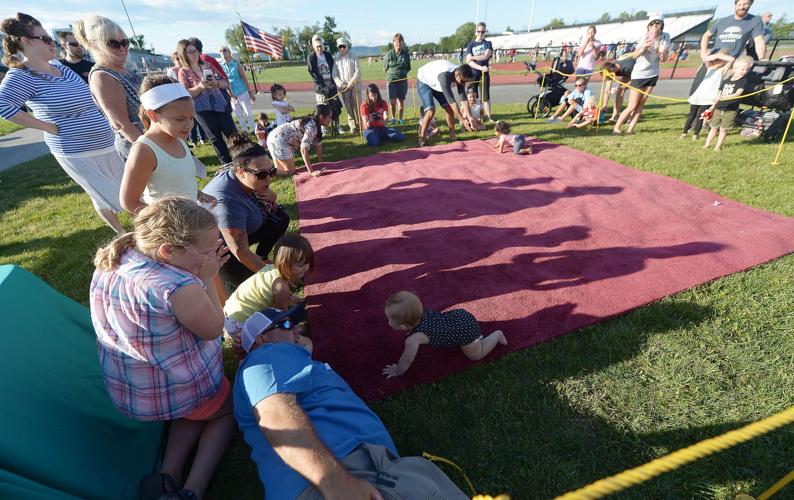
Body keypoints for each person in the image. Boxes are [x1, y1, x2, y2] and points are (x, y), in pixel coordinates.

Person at [233, 305, 470, 499]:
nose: (297, 329)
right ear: (262, 339)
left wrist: (305, 352)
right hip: (336, 477)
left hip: (384, 468)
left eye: (295, 323)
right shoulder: (263, 359)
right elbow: (275, 416)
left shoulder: (292, 362)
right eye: (285, 325)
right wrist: (336, 484)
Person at [90, 197, 235, 500]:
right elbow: (213, 328)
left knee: (194, 413)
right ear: (168, 250)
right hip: (178, 385)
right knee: (227, 409)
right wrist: (208, 278)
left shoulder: (118, 256)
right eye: (206, 252)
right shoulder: (178, 286)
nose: (212, 257)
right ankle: (194, 489)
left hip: (135, 390)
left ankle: (167, 475)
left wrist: (200, 264)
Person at [0, 13, 125, 234]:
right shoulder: (21, 75)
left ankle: (139, 231)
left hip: (106, 142)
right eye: (45, 39)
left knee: (126, 188)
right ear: (26, 41)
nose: (52, 43)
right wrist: (47, 127)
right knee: (106, 194)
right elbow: (4, 106)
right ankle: (125, 234)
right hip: (76, 150)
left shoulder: (61, 67)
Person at [202, 133, 290, 293]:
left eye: (271, 172)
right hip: (218, 251)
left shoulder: (241, 173)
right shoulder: (226, 203)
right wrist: (275, 279)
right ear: (241, 172)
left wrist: (271, 197)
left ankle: (261, 258)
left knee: (280, 218)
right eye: (262, 175)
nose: (269, 179)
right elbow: (240, 251)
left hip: (238, 230)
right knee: (255, 290)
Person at [120, 76, 215, 213]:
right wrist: (168, 219)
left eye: (191, 117)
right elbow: (129, 202)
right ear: (153, 115)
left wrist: (199, 194)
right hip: (169, 224)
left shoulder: (178, 138)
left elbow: (178, 182)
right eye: (180, 119)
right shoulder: (145, 150)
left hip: (191, 218)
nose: (189, 125)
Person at [382, 291, 507, 378]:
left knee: (475, 355)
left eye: (389, 319)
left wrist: (398, 371)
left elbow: (407, 358)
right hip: (458, 316)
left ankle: (496, 336)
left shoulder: (412, 340)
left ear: (403, 326)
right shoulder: (418, 312)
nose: (387, 321)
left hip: (464, 330)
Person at [73, 16, 143, 161]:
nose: (122, 48)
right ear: (94, 44)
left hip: (151, 141)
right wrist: (156, 151)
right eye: (113, 43)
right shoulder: (103, 76)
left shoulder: (122, 70)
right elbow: (122, 125)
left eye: (125, 42)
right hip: (139, 147)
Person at [223, 233, 314, 330]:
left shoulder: (271, 268)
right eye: (300, 265)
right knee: (298, 314)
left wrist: (291, 298)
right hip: (240, 324)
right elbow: (281, 315)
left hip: (229, 312)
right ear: (285, 264)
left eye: (307, 263)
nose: (306, 268)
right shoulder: (281, 288)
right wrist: (292, 328)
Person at [176, 39, 236, 164]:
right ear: (183, 54)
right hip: (202, 110)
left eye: (195, 51)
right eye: (190, 52)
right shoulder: (183, 71)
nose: (194, 54)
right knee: (215, 138)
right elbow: (186, 93)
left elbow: (225, 83)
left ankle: (243, 158)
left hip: (219, 104)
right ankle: (228, 165)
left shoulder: (208, 65)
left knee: (232, 134)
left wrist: (216, 83)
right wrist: (200, 86)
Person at [692, 0, 765, 96]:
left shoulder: (755, 20)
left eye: (745, 4)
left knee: (718, 93)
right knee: (698, 90)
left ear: (750, 4)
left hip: (730, 63)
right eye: (739, 4)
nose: (742, 7)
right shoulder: (722, 21)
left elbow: (759, 40)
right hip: (713, 60)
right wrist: (703, 52)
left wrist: (762, 58)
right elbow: (706, 36)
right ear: (735, 4)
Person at [612, 14, 670, 135]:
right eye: (652, 24)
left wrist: (664, 52)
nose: (655, 26)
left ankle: (630, 129)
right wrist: (644, 47)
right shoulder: (644, 38)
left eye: (657, 24)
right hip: (639, 74)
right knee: (632, 105)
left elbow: (664, 59)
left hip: (653, 73)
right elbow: (634, 56)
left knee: (641, 104)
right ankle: (616, 127)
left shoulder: (665, 36)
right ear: (648, 26)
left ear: (661, 25)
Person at [416, 59, 474, 147]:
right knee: (431, 110)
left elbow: (463, 98)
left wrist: (470, 117)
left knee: (449, 109)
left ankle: (452, 135)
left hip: (436, 82)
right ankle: (422, 137)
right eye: (462, 81)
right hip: (424, 81)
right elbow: (452, 102)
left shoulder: (460, 74)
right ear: (457, 74)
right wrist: (463, 120)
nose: (463, 83)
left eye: (465, 82)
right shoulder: (445, 77)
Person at [680, 50, 734, 141]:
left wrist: (720, 55)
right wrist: (716, 56)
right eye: (716, 60)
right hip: (698, 95)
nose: (718, 62)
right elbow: (705, 58)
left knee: (701, 116)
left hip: (708, 97)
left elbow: (731, 59)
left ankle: (695, 135)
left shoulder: (723, 70)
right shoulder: (709, 67)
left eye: (720, 60)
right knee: (691, 115)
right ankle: (684, 133)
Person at [703, 55, 753, 152]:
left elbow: (738, 93)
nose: (745, 71)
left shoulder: (743, 81)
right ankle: (707, 144)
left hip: (731, 110)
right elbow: (719, 94)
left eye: (747, 70)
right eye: (742, 69)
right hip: (719, 108)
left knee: (723, 129)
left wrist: (724, 98)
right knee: (714, 127)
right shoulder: (726, 81)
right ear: (734, 70)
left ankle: (717, 146)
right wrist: (712, 106)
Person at [266, 104, 332, 177]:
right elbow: (303, 149)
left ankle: (265, 171)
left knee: (279, 170)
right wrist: (311, 172)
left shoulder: (313, 121)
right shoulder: (312, 127)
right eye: (329, 117)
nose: (331, 120)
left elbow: (318, 144)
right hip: (279, 140)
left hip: (273, 136)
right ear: (321, 117)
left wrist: (321, 163)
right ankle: (264, 171)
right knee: (290, 171)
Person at [307, 34, 341, 134]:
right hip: (321, 88)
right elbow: (313, 74)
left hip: (331, 85)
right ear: (314, 47)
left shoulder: (328, 55)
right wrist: (323, 86)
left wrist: (333, 83)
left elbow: (334, 68)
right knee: (322, 108)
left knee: (335, 107)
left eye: (320, 46)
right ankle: (323, 128)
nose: (319, 48)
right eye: (317, 46)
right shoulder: (311, 58)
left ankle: (337, 126)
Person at [219, 46, 256, 134]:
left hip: (242, 91)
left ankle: (253, 129)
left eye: (225, 51)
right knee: (238, 114)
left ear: (229, 53)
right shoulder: (220, 66)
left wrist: (249, 91)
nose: (223, 53)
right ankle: (244, 130)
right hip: (231, 94)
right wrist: (229, 93)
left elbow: (244, 78)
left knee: (248, 112)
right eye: (221, 52)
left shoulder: (236, 63)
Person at [465, 22, 494, 123]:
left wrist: (472, 57)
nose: (480, 33)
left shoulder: (488, 43)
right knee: (473, 96)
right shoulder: (470, 45)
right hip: (473, 73)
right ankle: (474, 116)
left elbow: (486, 56)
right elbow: (468, 62)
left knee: (485, 96)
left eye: (483, 32)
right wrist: (481, 67)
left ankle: (489, 117)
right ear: (475, 32)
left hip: (484, 74)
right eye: (479, 31)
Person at [331, 37, 361, 134]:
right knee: (349, 109)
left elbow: (357, 71)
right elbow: (334, 74)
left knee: (358, 107)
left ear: (347, 46)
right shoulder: (336, 59)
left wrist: (351, 83)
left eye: (344, 46)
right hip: (344, 88)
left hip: (355, 86)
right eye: (340, 47)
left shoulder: (354, 56)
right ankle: (353, 127)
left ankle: (361, 125)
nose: (342, 48)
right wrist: (341, 84)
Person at [383, 33, 411, 125]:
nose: (398, 43)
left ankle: (401, 119)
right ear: (393, 43)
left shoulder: (406, 54)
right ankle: (393, 118)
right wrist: (393, 75)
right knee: (392, 102)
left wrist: (401, 75)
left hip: (402, 81)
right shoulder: (389, 54)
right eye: (396, 42)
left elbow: (408, 68)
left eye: (400, 41)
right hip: (392, 82)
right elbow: (385, 68)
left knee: (401, 102)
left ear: (403, 43)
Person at [600, 56, 636, 123]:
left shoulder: (628, 67)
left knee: (635, 94)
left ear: (612, 69)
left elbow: (636, 79)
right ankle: (614, 117)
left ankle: (632, 117)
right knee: (620, 91)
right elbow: (607, 89)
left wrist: (624, 86)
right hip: (626, 73)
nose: (608, 77)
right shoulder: (609, 70)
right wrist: (605, 105)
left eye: (608, 75)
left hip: (640, 72)